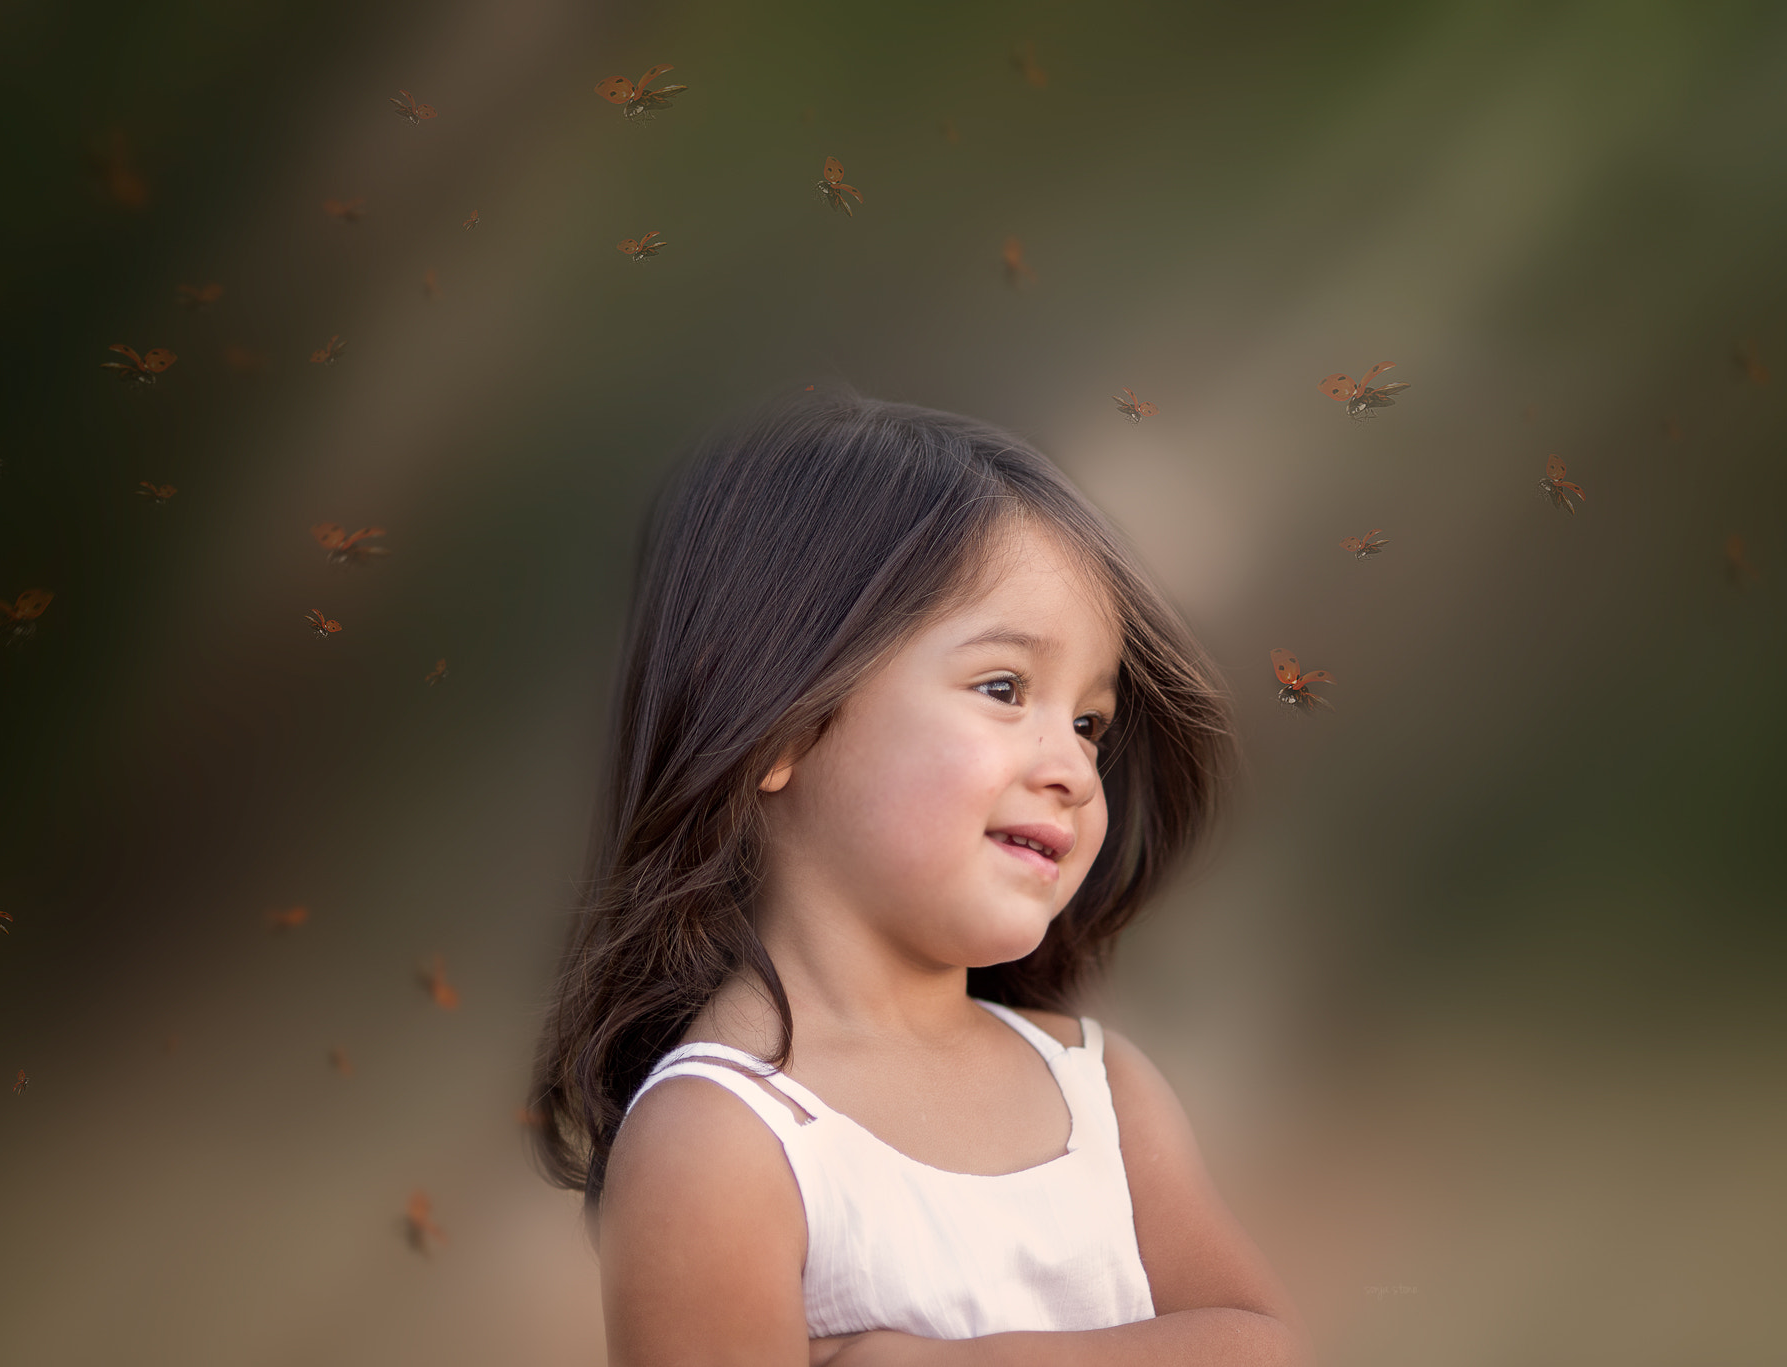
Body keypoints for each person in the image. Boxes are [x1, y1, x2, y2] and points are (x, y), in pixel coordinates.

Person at [530, 389, 1305, 1366]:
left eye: (1088, 722)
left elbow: (1264, 1345)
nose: (1071, 765)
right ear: (779, 723)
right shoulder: (725, 1140)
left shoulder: (1099, 1090)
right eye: (1002, 688)